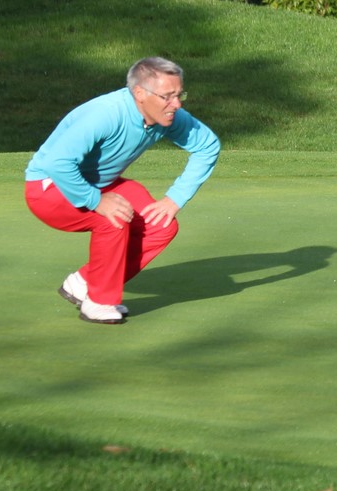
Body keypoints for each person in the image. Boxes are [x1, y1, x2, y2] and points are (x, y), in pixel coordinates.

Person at [24, 57, 220, 324]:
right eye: (167, 96)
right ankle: (99, 301)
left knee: (161, 226)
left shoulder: (168, 116)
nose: (176, 104)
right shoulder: (106, 114)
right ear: (139, 93)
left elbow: (207, 146)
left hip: (101, 184)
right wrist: (95, 201)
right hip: (50, 187)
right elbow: (56, 163)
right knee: (113, 216)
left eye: (179, 95)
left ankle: (84, 283)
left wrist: (175, 198)